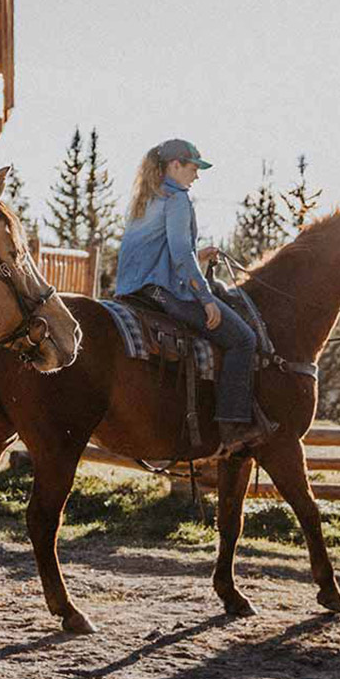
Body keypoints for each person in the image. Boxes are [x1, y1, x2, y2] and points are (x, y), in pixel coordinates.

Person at [112, 138, 271, 453]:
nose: (196, 176)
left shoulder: (145, 199)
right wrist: (206, 298)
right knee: (243, 340)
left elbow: (161, 253)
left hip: (134, 291)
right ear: (175, 166)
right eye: (193, 168)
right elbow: (180, 254)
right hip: (164, 293)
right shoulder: (178, 200)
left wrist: (199, 256)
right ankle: (232, 425)